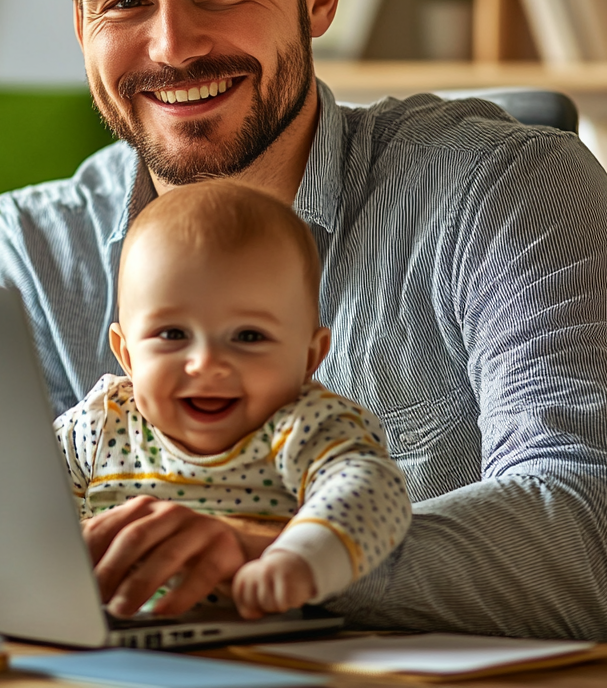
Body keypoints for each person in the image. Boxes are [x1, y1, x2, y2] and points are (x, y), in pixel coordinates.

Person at [0, 0, 607, 641]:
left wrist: (274, 561)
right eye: (125, 2)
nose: (173, 45)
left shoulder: (507, 191)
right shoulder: (39, 249)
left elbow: (603, 545)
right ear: (82, 28)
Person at [55, 181, 411, 619]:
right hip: (108, 640)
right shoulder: (98, 425)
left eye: (248, 336)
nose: (206, 364)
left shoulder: (306, 427)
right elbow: (19, 502)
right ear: (126, 354)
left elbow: (373, 492)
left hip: (266, 650)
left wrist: (296, 560)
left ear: (310, 357)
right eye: (172, 334)